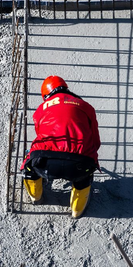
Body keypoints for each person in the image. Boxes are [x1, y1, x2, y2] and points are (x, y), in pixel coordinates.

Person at [22, 76, 101, 218]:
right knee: (83, 177)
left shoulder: (40, 109)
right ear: (66, 88)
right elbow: (95, 142)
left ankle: (36, 197)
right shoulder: (86, 106)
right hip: (79, 163)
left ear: (46, 95)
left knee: (29, 167)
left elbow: (40, 134)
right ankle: (77, 210)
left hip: (45, 161)